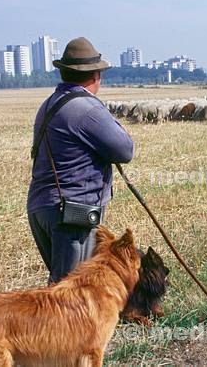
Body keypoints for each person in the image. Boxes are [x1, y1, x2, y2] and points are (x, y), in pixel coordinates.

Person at [27, 37, 134, 283]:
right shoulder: (87, 109)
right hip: (72, 212)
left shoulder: (50, 104)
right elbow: (125, 150)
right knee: (70, 296)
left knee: (62, 288)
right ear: (95, 76)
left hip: (42, 207)